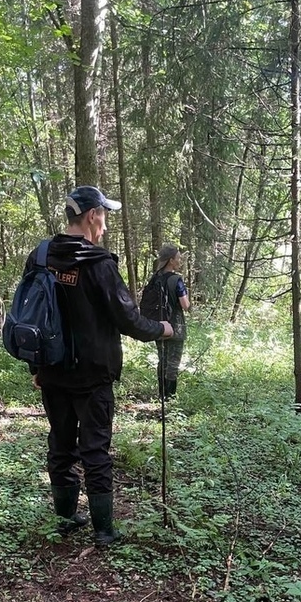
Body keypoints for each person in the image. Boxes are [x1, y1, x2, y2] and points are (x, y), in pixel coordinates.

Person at [28, 186, 173, 546]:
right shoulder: (99, 263)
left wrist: (36, 365)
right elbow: (128, 319)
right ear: (92, 215)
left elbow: (29, 314)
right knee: (94, 449)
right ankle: (104, 531)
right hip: (93, 375)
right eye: (104, 216)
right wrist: (162, 329)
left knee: (61, 444)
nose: (105, 226)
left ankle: (65, 520)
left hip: (52, 369)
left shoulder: (41, 256)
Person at [151, 244, 190, 399]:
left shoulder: (155, 278)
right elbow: (185, 305)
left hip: (158, 326)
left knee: (162, 359)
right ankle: (170, 397)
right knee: (173, 363)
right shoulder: (176, 280)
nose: (180, 260)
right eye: (178, 258)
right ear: (171, 261)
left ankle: (161, 395)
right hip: (175, 326)